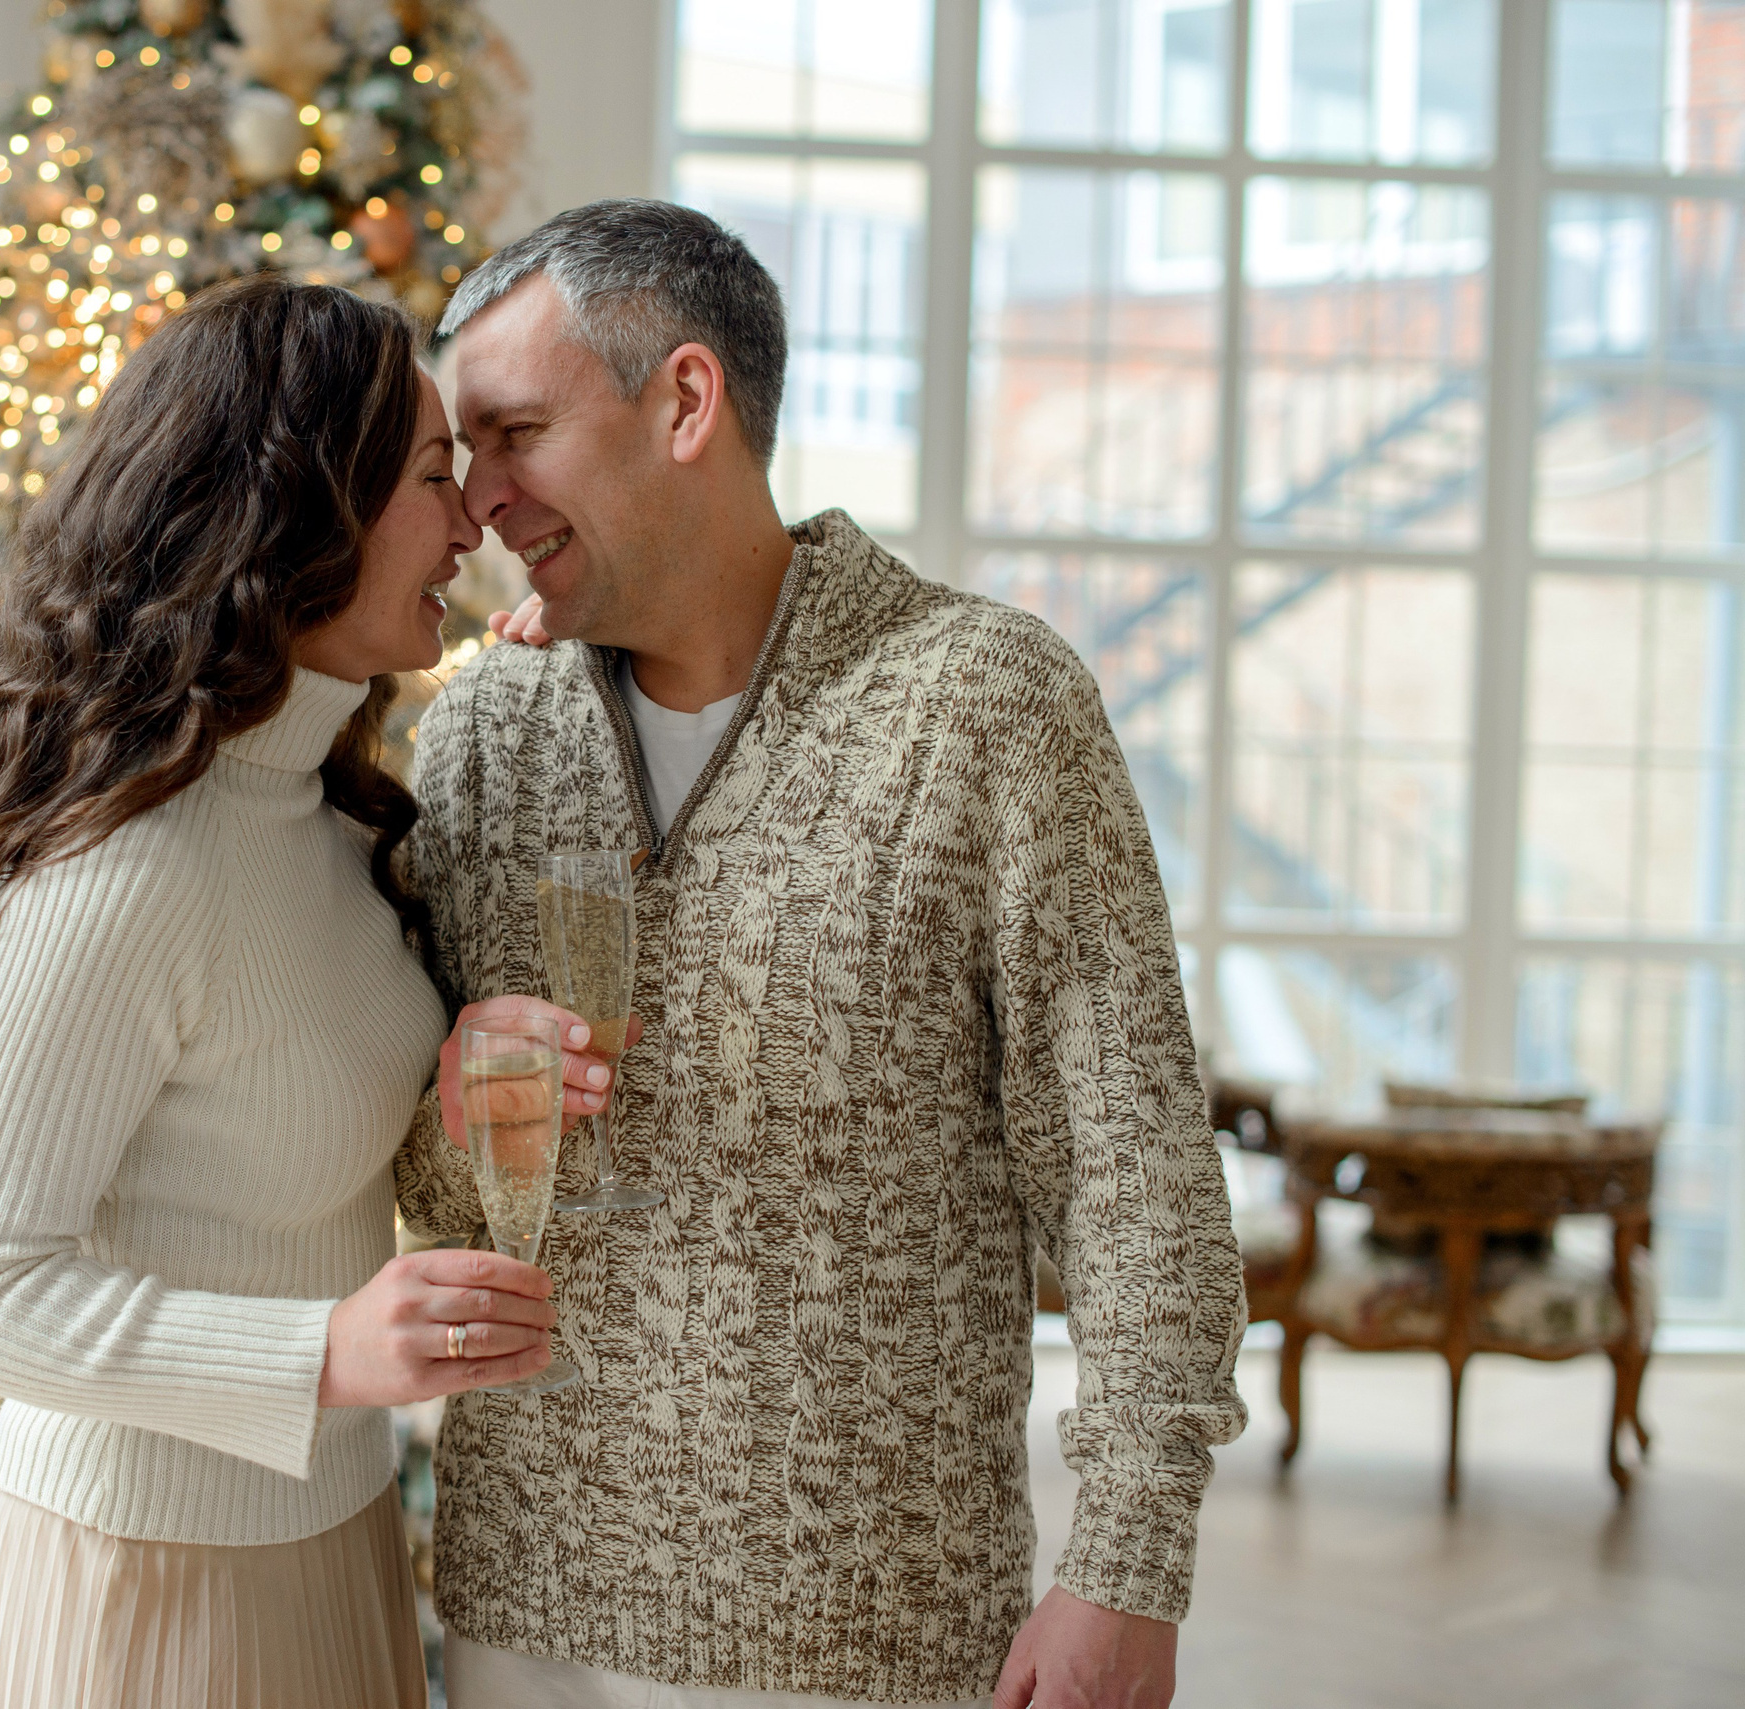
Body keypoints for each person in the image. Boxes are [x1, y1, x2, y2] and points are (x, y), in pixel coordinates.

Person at [393, 200, 1248, 1709]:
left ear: (686, 401)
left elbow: (1133, 1170)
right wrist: (458, 1119)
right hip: (526, 1607)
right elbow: (440, 1205)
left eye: (517, 433)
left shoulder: (984, 705)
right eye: (467, 453)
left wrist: (1129, 1561)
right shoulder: (482, 729)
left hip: (871, 1634)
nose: (482, 502)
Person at [0, 274, 614, 1709]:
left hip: (333, 1535)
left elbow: (286, 1126)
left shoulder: (326, 820)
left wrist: (456, 1088)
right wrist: (321, 1352)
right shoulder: (129, 871)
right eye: (431, 476)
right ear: (299, 509)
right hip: (143, 1583)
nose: (470, 525)